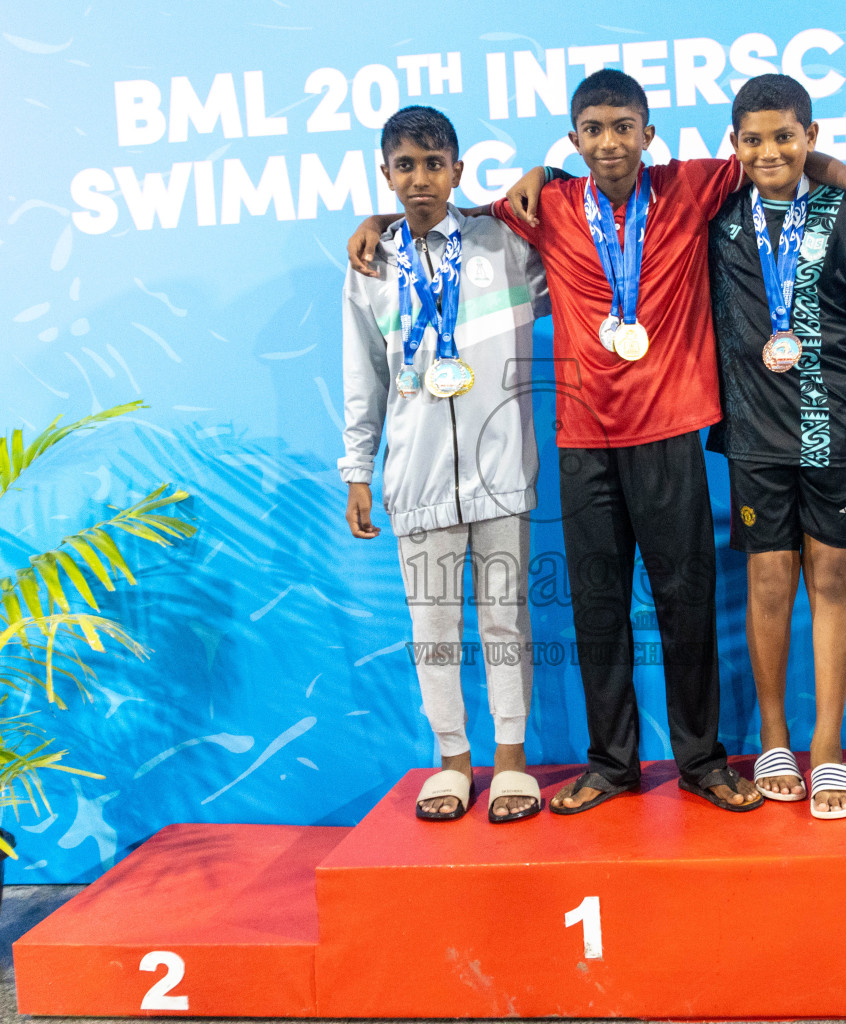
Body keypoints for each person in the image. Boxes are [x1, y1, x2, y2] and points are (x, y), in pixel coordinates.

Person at [437, 69, 846, 815]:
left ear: (649, 135)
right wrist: (375, 227)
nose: (610, 142)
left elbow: (774, 152)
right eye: (593, 130)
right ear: (575, 139)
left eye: (625, 127)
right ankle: (612, 764)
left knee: (686, 603)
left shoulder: (691, 187)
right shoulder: (547, 204)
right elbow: (451, 220)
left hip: (673, 428)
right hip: (583, 439)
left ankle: (703, 762)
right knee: (598, 606)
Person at [705, 74, 846, 818]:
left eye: (785, 136)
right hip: (756, 439)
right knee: (765, 588)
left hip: (838, 435)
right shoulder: (718, 218)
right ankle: (774, 737)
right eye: (753, 139)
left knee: (831, 579)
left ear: (810, 137)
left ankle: (826, 747)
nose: (770, 151)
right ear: (734, 147)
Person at [339, 106, 548, 824]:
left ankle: (512, 760)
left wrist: (545, 175)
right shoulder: (370, 266)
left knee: (504, 623)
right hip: (417, 481)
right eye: (405, 166)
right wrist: (358, 469)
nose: (420, 179)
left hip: (501, 476)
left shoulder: (505, 247)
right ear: (386, 174)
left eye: (434, 164)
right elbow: (361, 374)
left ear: (458, 170)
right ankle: (454, 761)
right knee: (432, 631)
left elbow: (586, 242)